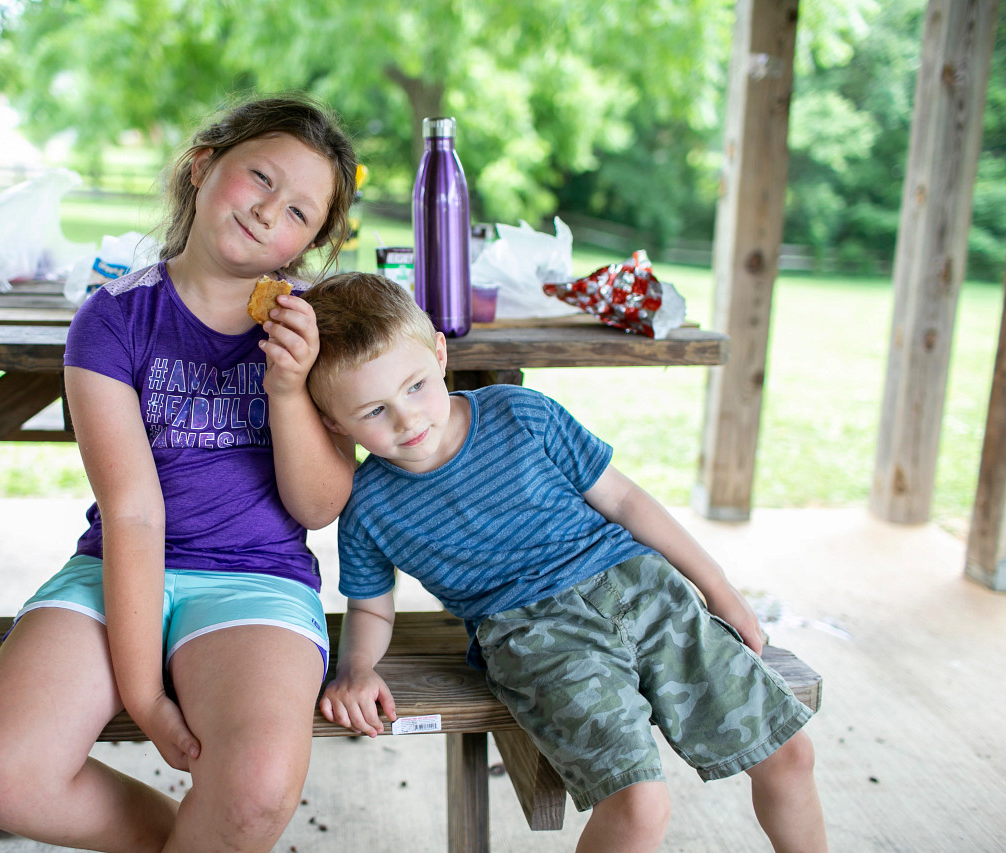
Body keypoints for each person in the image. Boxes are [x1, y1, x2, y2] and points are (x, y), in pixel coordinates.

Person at [0, 95, 359, 853]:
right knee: (2, 772)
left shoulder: (314, 329)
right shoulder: (113, 318)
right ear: (204, 167)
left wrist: (287, 389)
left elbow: (320, 504)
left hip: (257, 579)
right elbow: (134, 513)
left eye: (301, 211)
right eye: (260, 177)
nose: (271, 211)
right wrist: (144, 695)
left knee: (257, 788)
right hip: (117, 568)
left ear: (311, 241)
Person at [302, 272, 827, 853]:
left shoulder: (521, 414)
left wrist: (719, 589)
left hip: (643, 589)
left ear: (440, 352)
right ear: (332, 421)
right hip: (534, 636)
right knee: (640, 804)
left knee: (789, 751)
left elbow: (626, 501)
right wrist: (356, 668)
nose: (407, 420)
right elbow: (372, 607)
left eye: (417, 386)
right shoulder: (369, 506)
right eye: (374, 410)